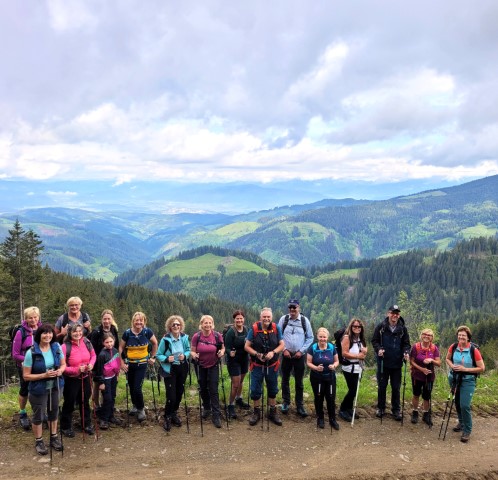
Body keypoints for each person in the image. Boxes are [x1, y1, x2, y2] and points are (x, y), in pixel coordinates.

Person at [22, 323, 66, 455]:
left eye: (50, 333)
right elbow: (26, 376)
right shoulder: (32, 353)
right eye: (44, 333)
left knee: (53, 413)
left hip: (56, 386)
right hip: (38, 389)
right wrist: (44, 375)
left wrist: (60, 371)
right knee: (38, 416)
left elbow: (63, 364)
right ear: (39, 335)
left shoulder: (56, 347)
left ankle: (54, 437)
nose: (48, 335)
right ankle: (39, 441)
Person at [245, 307, 285, 426]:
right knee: (255, 389)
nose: (266, 319)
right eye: (264, 317)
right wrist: (257, 354)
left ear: (271, 318)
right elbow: (247, 346)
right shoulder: (254, 329)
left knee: (272, 389)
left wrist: (273, 352)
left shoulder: (276, 328)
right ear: (260, 317)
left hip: (272, 365)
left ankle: (272, 412)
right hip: (257, 365)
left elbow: (282, 344)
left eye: (268, 317)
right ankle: (256, 412)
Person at [445, 325, 485, 443]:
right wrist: (452, 366)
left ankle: (467, 430)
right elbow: (447, 359)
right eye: (459, 335)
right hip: (454, 378)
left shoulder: (474, 350)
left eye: (464, 335)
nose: (461, 337)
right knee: (456, 402)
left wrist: (465, 369)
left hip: (468, 380)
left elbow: (482, 368)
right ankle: (461, 423)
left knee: (464, 405)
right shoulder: (453, 347)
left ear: (468, 337)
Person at [371, 304, 411, 421]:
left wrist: (406, 352)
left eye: (397, 313)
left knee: (396, 387)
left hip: (397, 363)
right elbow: (374, 341)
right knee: (382, 386)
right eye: (393, 313)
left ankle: (396, 410)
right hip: (383, 362)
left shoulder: (403, 329)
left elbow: (406, 344)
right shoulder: (381, 327)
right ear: (388, 313)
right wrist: (379, 349)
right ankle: (381, 408)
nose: (395, 315)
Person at [119, 311, 158, 422]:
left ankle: (141, 409)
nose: (139, 322)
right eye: (137, 320)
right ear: (133, 321)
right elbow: (121, 348)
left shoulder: (147, 332)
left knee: (137, 388)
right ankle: (135, 405)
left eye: (141, 320)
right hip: (130, 364)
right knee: (131, 387)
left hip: (142, 364)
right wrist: (121, 363)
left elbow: (155, 343)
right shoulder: (127, 333)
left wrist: (153, 357)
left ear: (144, 321)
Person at [278, 299, 313, 417]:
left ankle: (299, 405)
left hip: (299, 356)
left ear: (299, 308)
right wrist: (284, 350)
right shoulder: (284, 319)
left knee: (299, 381)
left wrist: (301, 351)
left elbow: (310, 338)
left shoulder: (304, 320)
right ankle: (286, 402)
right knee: (285, 380)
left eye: (295, 308)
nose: (292, 310)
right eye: (290, 308)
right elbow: (279, 336)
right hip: (286, 355)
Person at [60, 323, 96, 437]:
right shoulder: (65, 347)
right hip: (71, 379)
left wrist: (91, 364)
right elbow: (62, 367)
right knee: (69, 402)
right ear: (70, 333)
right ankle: (65, 427)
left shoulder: (86, 342)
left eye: (80, 331)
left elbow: (93, 356)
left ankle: (86, 424)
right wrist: (76, 370)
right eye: (75, 331)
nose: (78, 333)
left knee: (85, 401)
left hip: (85, 377)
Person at [156, 315, 191, 432]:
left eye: (178, 324)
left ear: (181, 326)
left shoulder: (185, 338)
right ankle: (167, 416)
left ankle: (174, 413)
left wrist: (184, 356)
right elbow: (158, 354)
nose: (176, 326)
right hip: (170, 369)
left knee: (179, 392)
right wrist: (166, 359)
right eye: (173, 324)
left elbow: (188, 350)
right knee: (171, 395)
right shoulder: (165, 340)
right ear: (170, 327)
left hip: (182, 368)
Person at [190, 315, 225, 428]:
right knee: (203, 388)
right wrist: (194, 355)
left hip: (213, 365)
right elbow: (192, 351)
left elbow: (222, 348)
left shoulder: (216, 335)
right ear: (201, 324)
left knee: (213, 389)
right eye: (205, 323)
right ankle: (206, 408)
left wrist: (222, 352)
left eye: (210, 323)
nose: (208, 325)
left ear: (212, 324)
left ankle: (216, 415)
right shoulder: (197, 336)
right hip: (200, 366)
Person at [12, 306, 42, 431]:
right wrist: (27, 360)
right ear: (26, 318)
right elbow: (15, 354)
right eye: (30, 317)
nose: (33, 320)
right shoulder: (21, 332)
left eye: (35, 317)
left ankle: (40, 412)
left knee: (40, 388)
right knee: (24, 389)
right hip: (25, 366)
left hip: (40, 365)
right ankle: (23, 413)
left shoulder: (42, 329)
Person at [306, 327, 340, 430]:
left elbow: (337, 361)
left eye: (324, 337)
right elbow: (308, 362)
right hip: (317, 377)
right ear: (317, 337)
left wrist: (334, 366)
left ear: (327, 337)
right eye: (320, 337)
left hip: (330, 377)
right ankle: (320, 418)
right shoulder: (312, 348)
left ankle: (332, 419)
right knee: (318, 398)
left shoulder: (331, 347)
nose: (322, 339)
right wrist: (316, 368)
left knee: (330, 398)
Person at [338, 318, 368, 422]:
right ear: (351, 327)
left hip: (358, 367)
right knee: (353, 390)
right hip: (349, 367)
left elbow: (363, 352)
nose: (357, 328)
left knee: (354, 390)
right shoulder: (347, 338)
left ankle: (349, 409)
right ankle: (342, 409)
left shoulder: (360, 338)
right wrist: (358, 356)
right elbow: (344, 353)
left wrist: (365, 351)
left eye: (359, 326)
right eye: (354, 326)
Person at [409, 328, 441, 426]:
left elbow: (439, 363)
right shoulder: (416, 347)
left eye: (429, 335)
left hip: (429, 377)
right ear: (421, 335)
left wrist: (431, 360)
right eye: (425, 334)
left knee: (427, 396)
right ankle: (415, 412)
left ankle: (426, 414)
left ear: (432, 338)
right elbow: (411, 361)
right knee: (416, 394)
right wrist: (422, 369)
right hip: (417, 375)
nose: (426, 336)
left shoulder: (434, 348)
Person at [90, 309, 119, 407]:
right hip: (98, 362)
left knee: (108, 384)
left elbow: (117, 345)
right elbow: (92, 349)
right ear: (101, 319)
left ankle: (105, 405)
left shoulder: (113, 329)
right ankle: (96, 405)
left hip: (110, 362)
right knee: (97, 384)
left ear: (112, 319)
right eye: (104, 319)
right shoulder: (96, 331)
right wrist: (93, 365)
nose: (106, 321)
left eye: (108, 319)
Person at [224, 309, 250, 419]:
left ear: (243, 319)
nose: (239, 320)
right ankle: (230, 405)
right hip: (233, 361)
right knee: (235, 383)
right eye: (237, 318)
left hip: (244, 359)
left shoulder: (246, 329)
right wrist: (230, 352)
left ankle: (239, 399)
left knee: (241, 381)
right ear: (234, 319)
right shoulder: (231, 332)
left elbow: (249, 342)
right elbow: (226, 347)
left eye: (241, 318)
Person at [94, 332, 121, 430]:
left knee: (113, 397)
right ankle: (103, 419)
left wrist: (117, 375)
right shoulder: (102, 355)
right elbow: (99, 370)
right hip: (105, 379)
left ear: (114, 341)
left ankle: (111, 416)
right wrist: (101, 382)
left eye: (111, 341)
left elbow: (117, 363)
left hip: (113, 377)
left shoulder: (115, 351)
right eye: (107, 342)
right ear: (103, 343)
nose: (109, 344)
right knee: (107, 398)